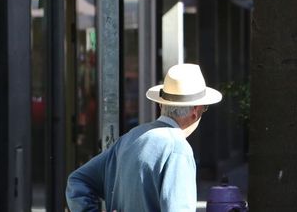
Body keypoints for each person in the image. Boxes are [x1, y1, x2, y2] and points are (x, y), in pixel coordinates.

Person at [66, 64, 222, 212]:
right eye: (204, 108)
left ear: (161, 105)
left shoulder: (129, 138)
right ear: (196, 110)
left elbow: (77, 181)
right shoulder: (178, 149)